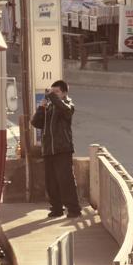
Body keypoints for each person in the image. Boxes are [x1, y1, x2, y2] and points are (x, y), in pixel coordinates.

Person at [31, 79, 82, 218]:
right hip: (48, 150)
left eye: (57, 92)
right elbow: (35, 123)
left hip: (62, 148)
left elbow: (65, 110)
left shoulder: (68, 104)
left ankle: (74, 209)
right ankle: (57, 208)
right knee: (51, 182)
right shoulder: (49, 108)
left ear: (64, 93)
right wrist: (41, 108)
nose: (53, 94)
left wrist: (51, 96)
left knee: (66, 180)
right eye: (52, 92)